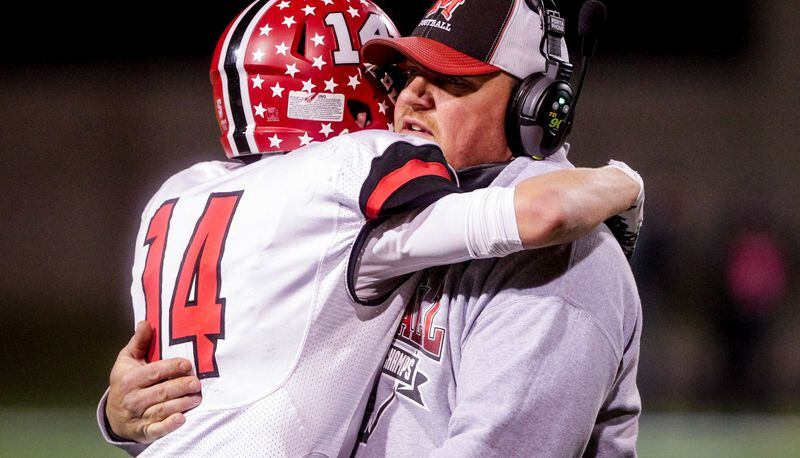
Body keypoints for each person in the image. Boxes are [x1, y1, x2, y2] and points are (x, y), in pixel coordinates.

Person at [99, 0, 643, 456]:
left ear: (537, 110)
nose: (413, 96)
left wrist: (625, 183)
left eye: (454, 81)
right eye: (411, 76)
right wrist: (134, 412)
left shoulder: (564, 260)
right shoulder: (388, 218)